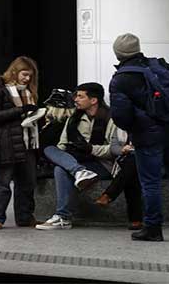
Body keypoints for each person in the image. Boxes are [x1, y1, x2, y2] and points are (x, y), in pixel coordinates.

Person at [109, 33, 169, 242]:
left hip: (147, 137)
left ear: (118, 53)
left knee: (150, 182)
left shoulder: (121, 79)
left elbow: (121, 115)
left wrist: (137, 127)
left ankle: (153, 227)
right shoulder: (159, 65)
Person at [36, 83, 141, 231]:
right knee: (50, 150)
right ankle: (79, 172)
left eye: (80, 96)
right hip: (77, 160)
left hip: (102, 164)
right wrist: (66, 158)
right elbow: (62, 144)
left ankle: (63, 216)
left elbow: (113, 149)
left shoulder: (111, 118)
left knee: (60, 169)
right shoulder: (73, 118)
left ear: (93, 100)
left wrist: (90, 149)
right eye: (75, 96)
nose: (76, 100)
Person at [0, 56, 41, 229]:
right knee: (3, 182)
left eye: (30, 76)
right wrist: (20, 111)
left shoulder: (29, 91)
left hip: (28, 142)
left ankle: (25, 217)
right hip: (6, 142)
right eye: (25, 74)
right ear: (15, 72)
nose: (27, 79)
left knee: (27, 182)